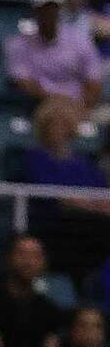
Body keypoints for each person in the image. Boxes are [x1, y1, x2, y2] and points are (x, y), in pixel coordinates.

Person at [23, 97, 110, 281]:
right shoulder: (36, 158)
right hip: (56, 225)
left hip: (92, 225)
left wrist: (98, 206)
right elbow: (58, 198)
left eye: (64, 123)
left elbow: (102, 193)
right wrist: (91, 205)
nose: (60, 129)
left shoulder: (83, 164)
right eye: (55, 123)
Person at [6, 0, 104, 112]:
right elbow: (23, 82)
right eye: (44, 8)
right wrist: (57, 101)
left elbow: (94, 80)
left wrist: (81, 107)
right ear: (36, 10)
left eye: (53, 8)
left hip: (78, 107)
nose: (49, 13)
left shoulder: (80, 40)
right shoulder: (18, 44)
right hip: (39, 107)